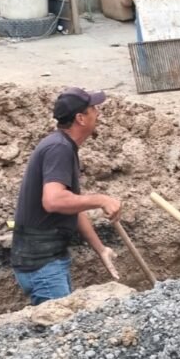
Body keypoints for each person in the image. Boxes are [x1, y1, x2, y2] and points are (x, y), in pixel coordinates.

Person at [11, 87, 121, 305]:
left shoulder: (62, 145)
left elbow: (71, 206)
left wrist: (101, 249)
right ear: (80, 118)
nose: (98, 113)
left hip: (47, 263)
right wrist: (101, 200)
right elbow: (53, 201)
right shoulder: (58, 149)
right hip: (43, 267)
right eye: (93, 108)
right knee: (60, 325)